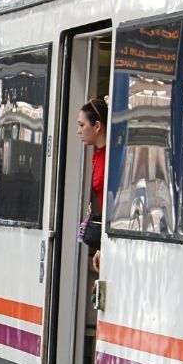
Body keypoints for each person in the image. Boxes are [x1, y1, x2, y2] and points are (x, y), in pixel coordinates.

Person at [77, 97, 107, 273]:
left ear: (97, 126)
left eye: (82, 125)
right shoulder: (98, 156)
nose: (78, 131)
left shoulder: (108, 156)